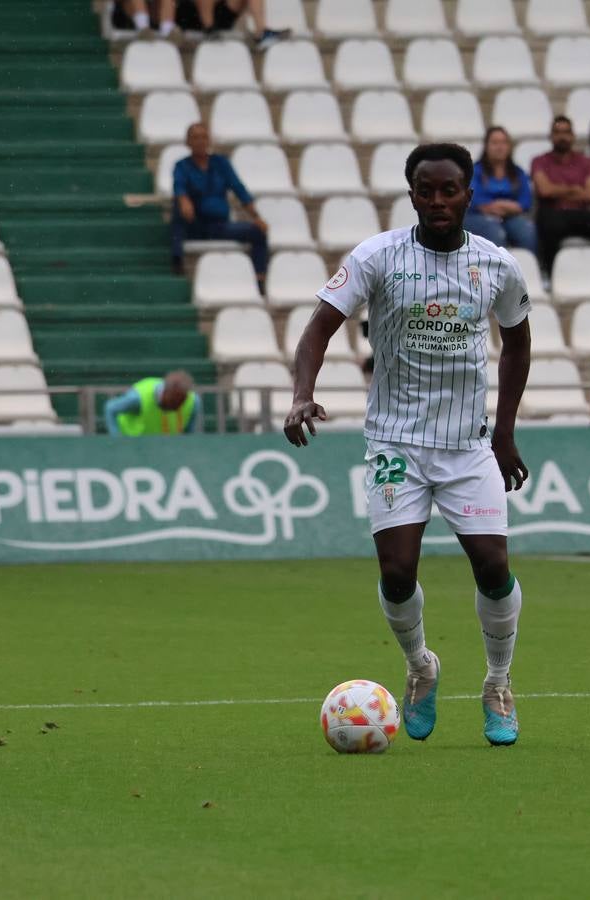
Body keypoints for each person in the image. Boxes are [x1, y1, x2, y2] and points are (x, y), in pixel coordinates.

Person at [284, 142, 532, 747]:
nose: (439, 200)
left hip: (468, 444)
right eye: (427, 190)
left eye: (450, 190)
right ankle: (421, 667)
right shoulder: (378, 257)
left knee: (493, 566)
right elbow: (318, 328)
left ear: (469, 193)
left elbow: (519, 345)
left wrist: (504, 434)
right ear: (413, 194)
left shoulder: (496, 265)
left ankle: (498, 683)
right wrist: (301, 394)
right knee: (397, 572)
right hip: (396, 439)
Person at [170, 122, 270, 287]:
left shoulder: (221, 163)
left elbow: (239, 189)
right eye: (195, 138)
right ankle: (177, 259)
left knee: (258, 231)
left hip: (219, 226)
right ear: (188, 142)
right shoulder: (181, 166)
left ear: (209, 140)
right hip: (194, 225)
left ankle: (259, 280)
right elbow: (179, 187)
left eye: (204, 137)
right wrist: (183, 200)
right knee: (178, 207)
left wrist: (257, 217)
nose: (200, 141)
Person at [530, 116, 590, 275]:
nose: (562, 136)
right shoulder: (539, 161)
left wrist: (558, 190)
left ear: (573, 136)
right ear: (551, 136)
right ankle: (551, 274)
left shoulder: (586, 162)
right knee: (549, 226)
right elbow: (545, 190)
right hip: (553, 212)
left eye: (566, 132)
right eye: (558, 132)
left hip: (580, 214)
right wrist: (576, 190)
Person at [465, 126, 537, 255]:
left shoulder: (517, 172)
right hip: (479, 216)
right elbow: (473, 198)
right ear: (486, 146)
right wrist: (497, 206)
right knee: (495, 233)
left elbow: (526, 201)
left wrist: (507, 207)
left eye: (504, 142)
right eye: (495, 143)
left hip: (511, 216)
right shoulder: (475, 171)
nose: (500, 147)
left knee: (527, 232)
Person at [105, 371, 201, 436]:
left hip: (166, 449)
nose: (175, 406)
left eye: (180, 402)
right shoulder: (138, 398)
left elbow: (189, 434)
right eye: (172, 401)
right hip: (133, 446)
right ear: (165, 392)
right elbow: (111, 408)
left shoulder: (193, 402)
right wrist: (117, 441)